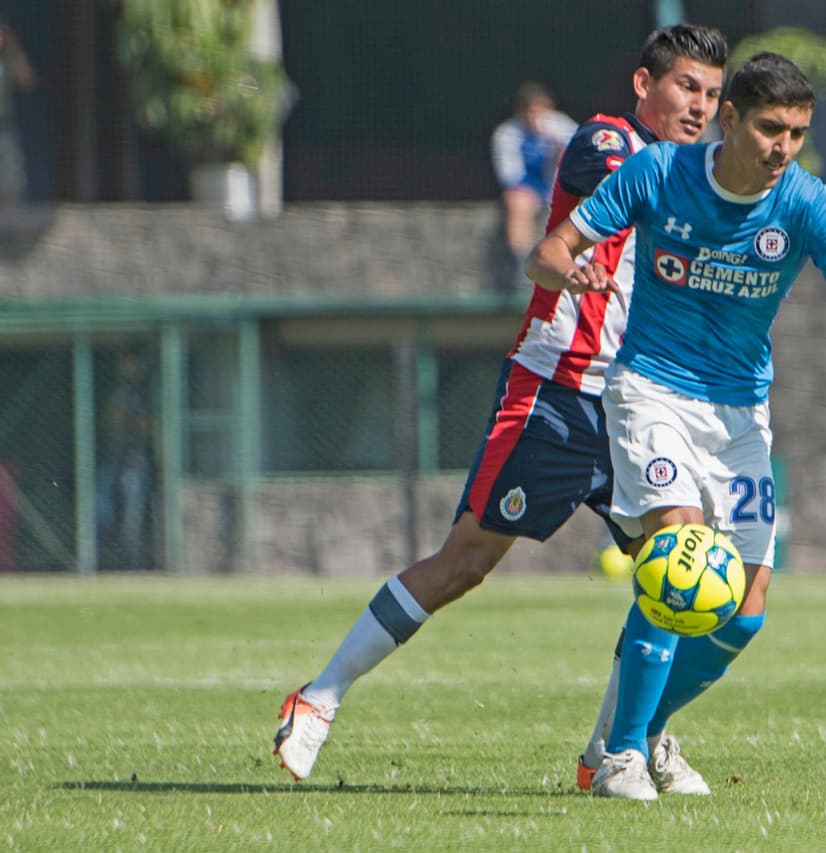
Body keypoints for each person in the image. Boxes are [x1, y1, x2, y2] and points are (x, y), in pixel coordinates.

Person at [272, 24, 729, 782]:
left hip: (636, 404)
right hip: (554, 391)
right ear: (646, 85)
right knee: (464, 564)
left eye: (713, 95)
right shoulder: (608, 142)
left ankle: (619, 745)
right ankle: (318, 697)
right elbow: (622, 187)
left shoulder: (696, 183)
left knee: (679, 565)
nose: (700, 106)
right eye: (687, 86)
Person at [526, 51, 826, 799]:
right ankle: (622, 759)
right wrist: (568, 269)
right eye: (769, 128)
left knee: (745, 615)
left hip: (739, 416)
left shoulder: (806, 203)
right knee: (681, 550)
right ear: (729, 119)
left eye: (796, 133)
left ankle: (640, 732)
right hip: (648, 393)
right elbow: (550, 250)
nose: (782, 149)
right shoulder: (659, 173)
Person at [490, 82, 578, 289]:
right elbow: (510, 176)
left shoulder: (560, 126)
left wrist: (557, 145)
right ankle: (522, 269)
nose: (537, 117)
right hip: (529, 191)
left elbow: (580, 151)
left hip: (559, 187)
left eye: (542, 110)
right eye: (531, 111)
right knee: (516, 202)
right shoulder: (507, 133)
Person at [95, 349, 154, 571]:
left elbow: (148, 427)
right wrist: (127, 421)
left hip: (135, 459)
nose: (128, 367)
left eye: (133, 363)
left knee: (133, 515)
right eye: (125, 362)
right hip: (112, 457)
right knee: (100, 508)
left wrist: (128, 421)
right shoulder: (118, 390)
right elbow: (109, 420)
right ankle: (91, 562)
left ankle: (133, 567)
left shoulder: (145, 392)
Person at [0, 14, 37, 205]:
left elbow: (27, 80)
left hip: (5, 130)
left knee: (12, 189)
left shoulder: (7, 59)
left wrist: (12, 46)